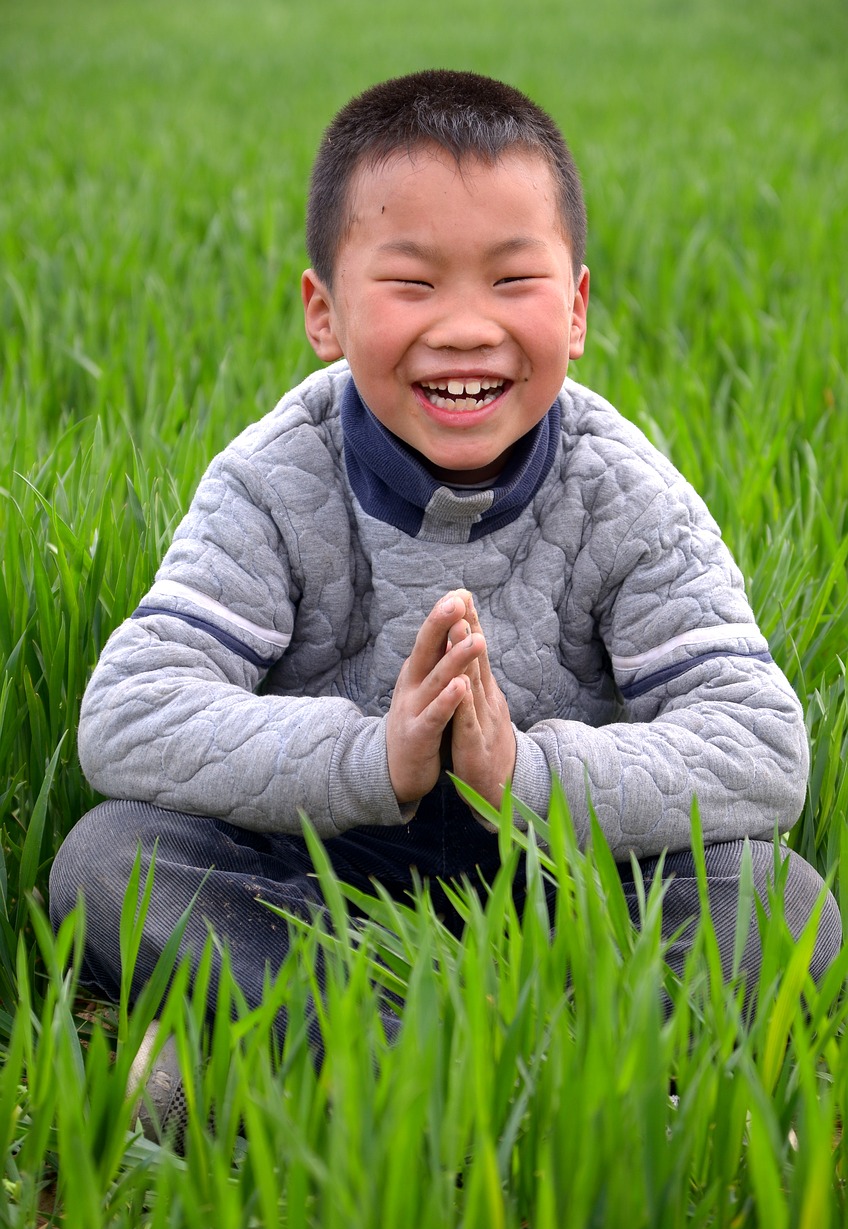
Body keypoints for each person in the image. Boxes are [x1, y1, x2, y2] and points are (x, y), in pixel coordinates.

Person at [50, 70, 840, 1139]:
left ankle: (291, 1073)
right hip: (315, 871)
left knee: (779, 901)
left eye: (512, 281)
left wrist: (524, 771)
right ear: (322, 311)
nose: (465, 328)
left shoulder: (629, 494)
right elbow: (130, 714)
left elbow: (756, 745)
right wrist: (377, 758)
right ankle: (560, 1088)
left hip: (568, 881)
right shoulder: (268, 479)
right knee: (106, 860)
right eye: (412, 285)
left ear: (575, 307)